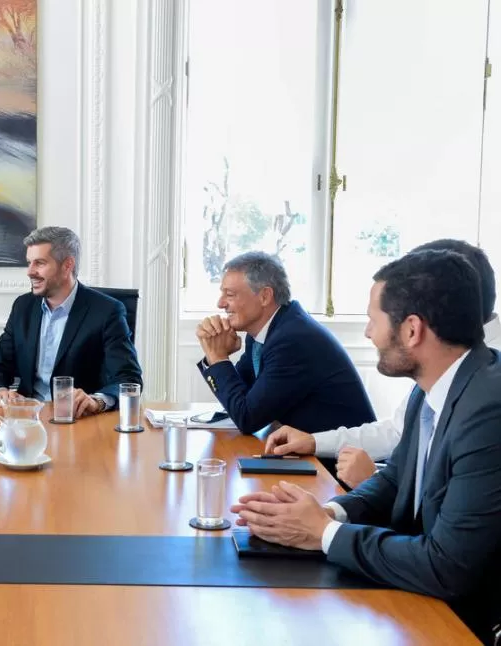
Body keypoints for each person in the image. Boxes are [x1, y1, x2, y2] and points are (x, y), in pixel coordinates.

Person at [231, 250, 501, 642]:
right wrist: (331, 512)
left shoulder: (487, 410)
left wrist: (322, 534)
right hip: (418, 595)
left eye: (374, 320)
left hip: (461, 621)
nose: (368, 333)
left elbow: (447, 568)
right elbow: (396, 477)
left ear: (412, 330)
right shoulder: (433, 389)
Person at [265, 239, 501, 488]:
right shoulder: (442, 361)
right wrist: (314, 441)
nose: (369, 333)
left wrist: (371, 481)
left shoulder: (484, 393)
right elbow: (398, 432)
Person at [196, 251, 375, 435]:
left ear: (265, 296)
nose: (220, 303)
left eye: (230, 294)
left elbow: (247, 417)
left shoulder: (292, 341)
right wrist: (216, 356)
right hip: (304, 454)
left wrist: (217, 357)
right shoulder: (267, 330)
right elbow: (239, 399)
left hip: (337, 460)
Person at [0, 226, 142, 417]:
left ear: (67, 265)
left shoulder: (107, 311)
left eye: (39, 263)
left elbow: (128, 378)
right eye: (29, 263)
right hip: (27, 419)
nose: (30, 272)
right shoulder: (23, 307)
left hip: (79, 420)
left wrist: (97, 400)